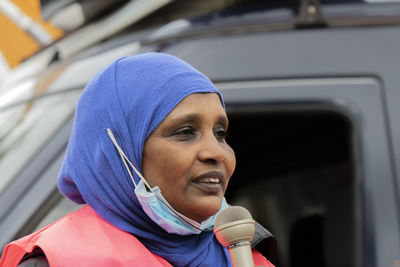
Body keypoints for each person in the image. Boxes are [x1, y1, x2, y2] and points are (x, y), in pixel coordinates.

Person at [0, 53, 275, 266]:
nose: (215, 152)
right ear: (117, 151)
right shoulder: (55, 261)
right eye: (185, 132)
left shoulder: (245, 256)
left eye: (220, 133)